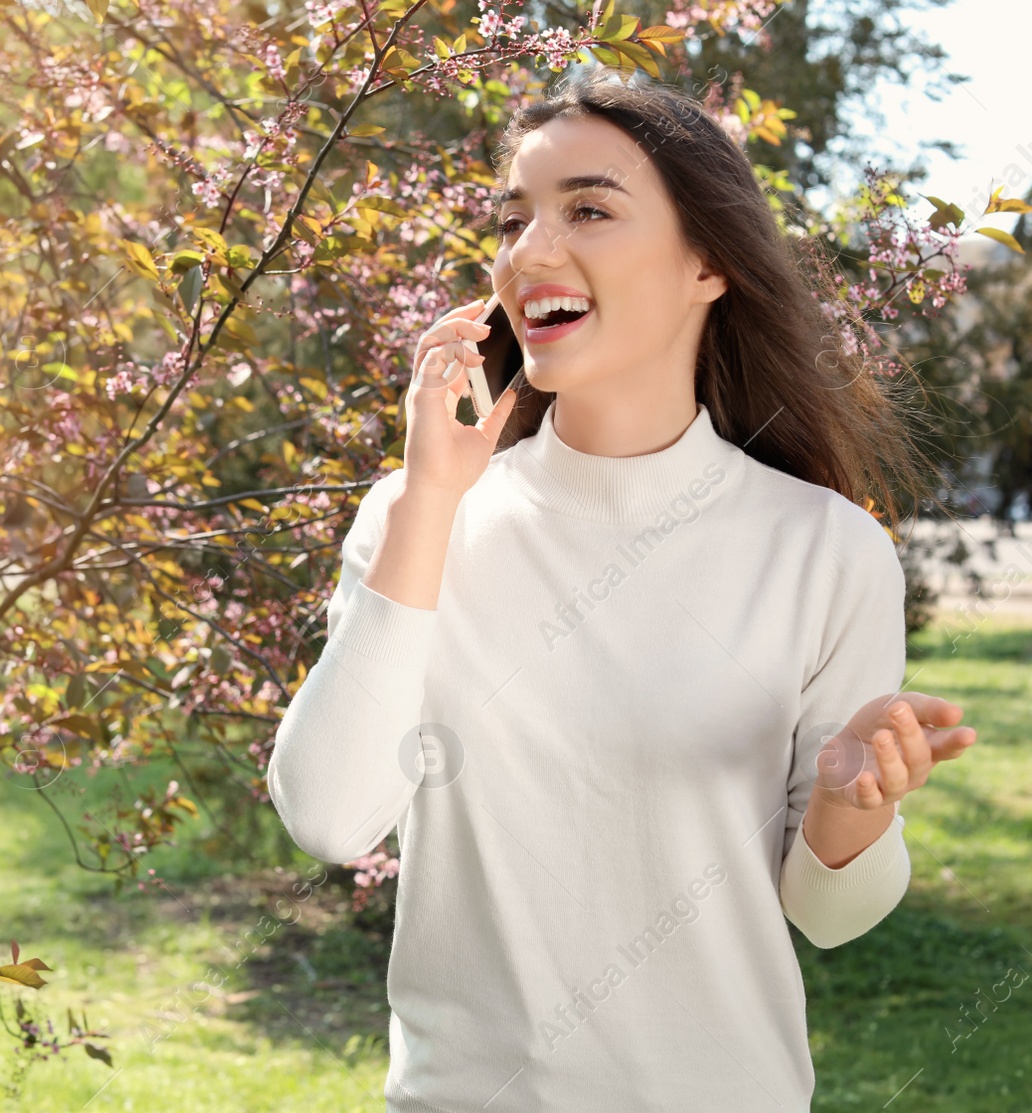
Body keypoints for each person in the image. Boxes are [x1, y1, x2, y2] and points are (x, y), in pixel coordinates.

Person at [267, 64, 978, 1113]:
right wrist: (427, 501)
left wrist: (845, 802)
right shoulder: (417, 517)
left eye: (588, 210)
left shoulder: (822, 550)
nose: (530, 253)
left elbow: (832, 915)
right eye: (515, 220)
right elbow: (328, 818)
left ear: (707, 264)